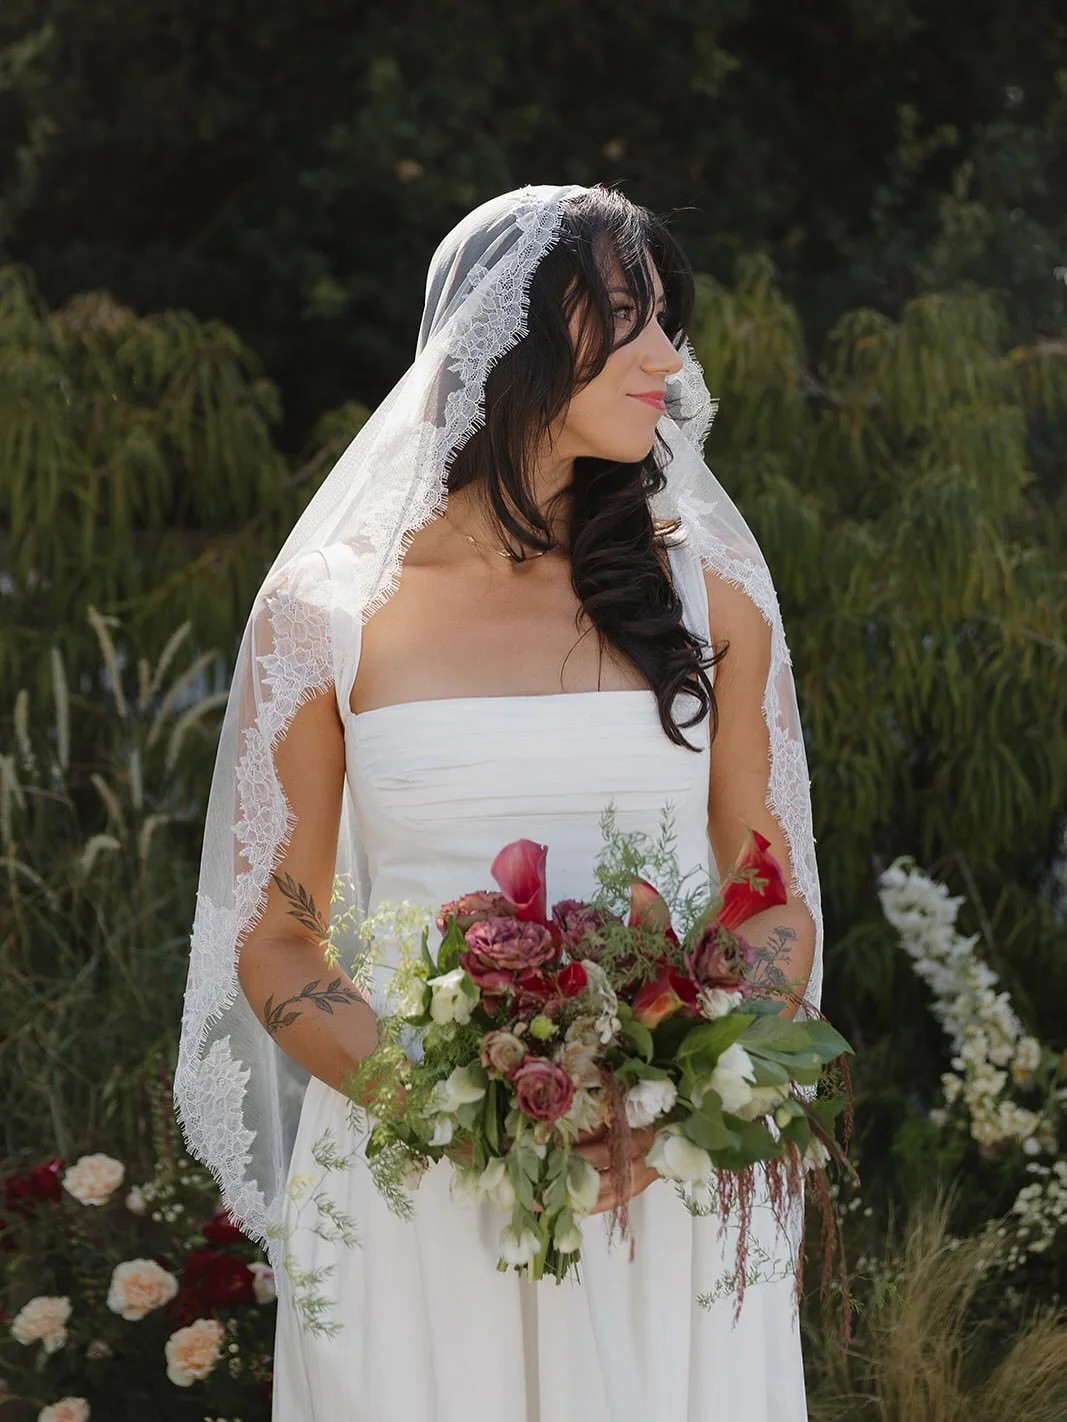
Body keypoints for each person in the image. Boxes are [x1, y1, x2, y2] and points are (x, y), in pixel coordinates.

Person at [174, 183, 823, 1421]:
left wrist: (672, 1083)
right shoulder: (322, 615)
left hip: (658, 1179)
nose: (666, 358)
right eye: (627, 318)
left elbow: (768, 896)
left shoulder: (710, 596)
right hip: (418, 1182)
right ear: (509, 337)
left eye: (664, 321)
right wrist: (465, 1117)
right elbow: (275, 936)